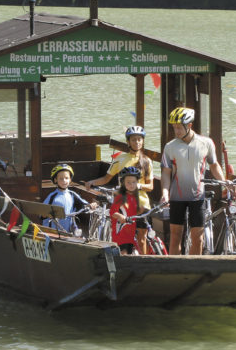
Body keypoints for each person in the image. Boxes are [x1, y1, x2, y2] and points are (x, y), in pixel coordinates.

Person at [160, 107, 226, 255]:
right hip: (177, 196)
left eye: (178, 127)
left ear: (189, 125)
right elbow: (165, 173)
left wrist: (224, 182)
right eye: (174, 127)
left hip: (198, 197)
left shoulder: (206, 143)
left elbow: (214, 165)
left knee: (198, 238)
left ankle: (193, 271)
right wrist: (165, 192)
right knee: (175, 237)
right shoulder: (170, 147)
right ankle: (175, 271)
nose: (176, 131)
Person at [85, 126, 154, 210]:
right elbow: (106, 179)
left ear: (143, 141)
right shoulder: (120, 159)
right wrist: (92, 182)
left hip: (142, 204)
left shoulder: (147, 161)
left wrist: (137, 186)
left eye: (139, 139)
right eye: (133, 139)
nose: (137, 142)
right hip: (124, 204)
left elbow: (150, 186)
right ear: (128, 142)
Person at [42, 164, 94, 234]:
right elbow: (42, 212)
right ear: (55, 180)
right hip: (53, 231)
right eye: (61, 178)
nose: (64, 180)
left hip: (68, 231)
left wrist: (92, 205)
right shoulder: (52, 196)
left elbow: (84, 204)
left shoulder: (72, 194)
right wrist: (45, 214)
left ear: (70, 179)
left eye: (66, 178)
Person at [109, 167, 147, 255]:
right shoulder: (120, 197)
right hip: (121, 232)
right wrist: (120, 216)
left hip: (130, 233)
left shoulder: (135, 197)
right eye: (128, 182)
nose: (131, 185)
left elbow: (132, 214)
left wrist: (141, 211)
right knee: (124, 254)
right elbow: (112, 212)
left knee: (130, 253)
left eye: (134, 182)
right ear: (123, 183)